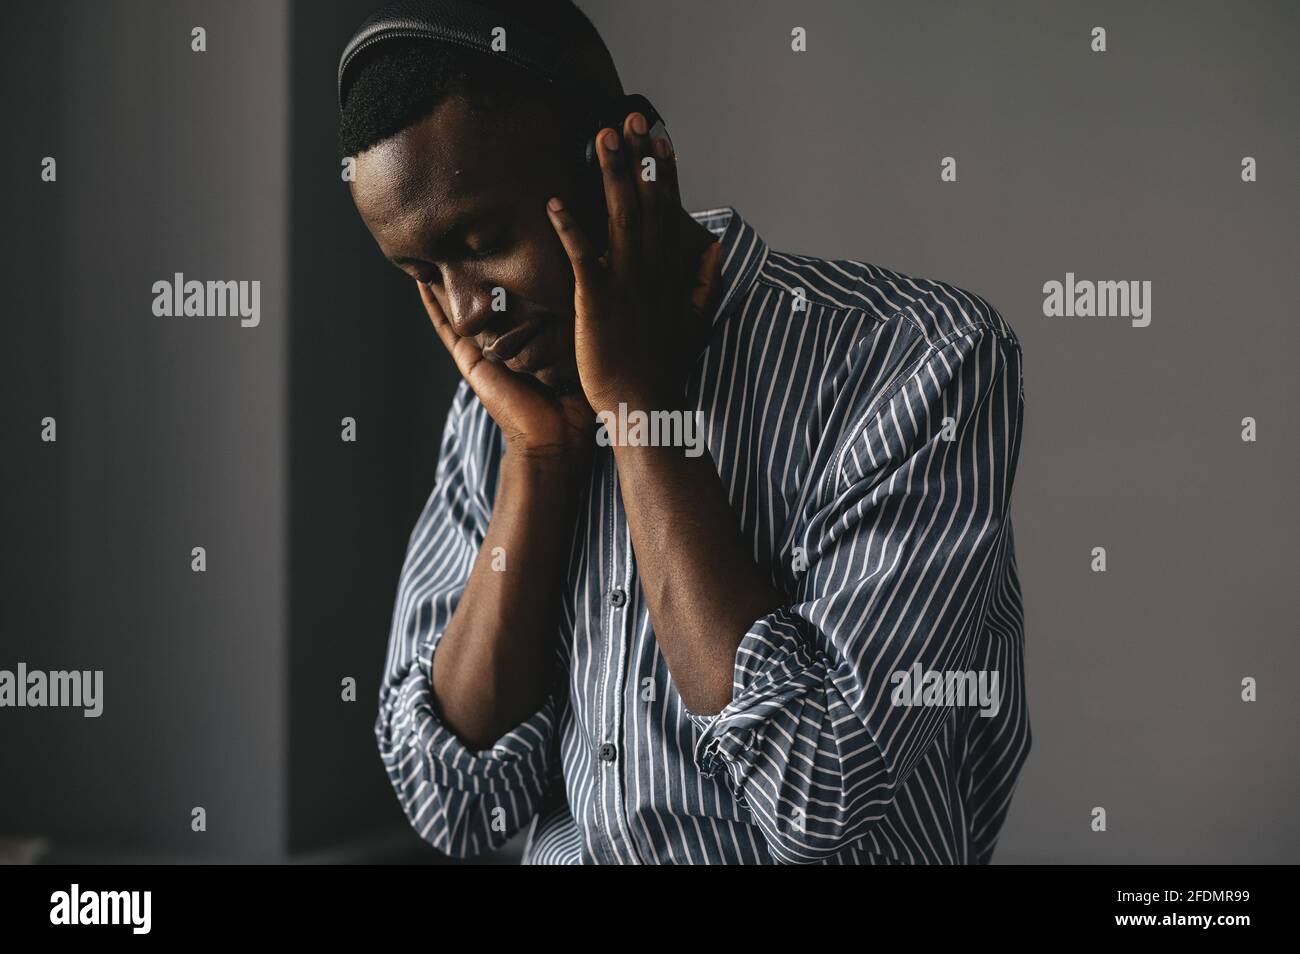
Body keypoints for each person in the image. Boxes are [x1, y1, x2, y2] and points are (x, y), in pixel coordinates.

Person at [341, 0, 1031, 864]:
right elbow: (453, 804)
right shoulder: (501, 407)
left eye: (484, 240)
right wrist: (539, 460)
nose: (470, 313)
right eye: (423, 275)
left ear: (628, 165)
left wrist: (638, 411)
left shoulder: (918, 361)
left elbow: (819, 794)